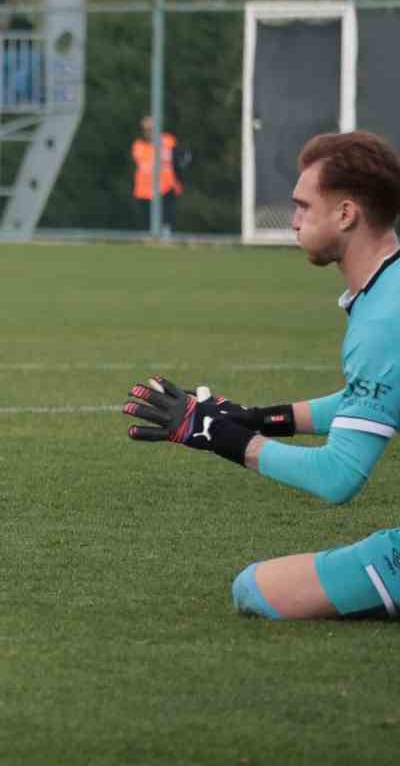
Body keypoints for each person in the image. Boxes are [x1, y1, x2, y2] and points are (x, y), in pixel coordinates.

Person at [122, 130, 400, 621]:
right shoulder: (389, 289)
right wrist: (256, 418)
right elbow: (375, 394)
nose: (293, 220)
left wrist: (218, 435)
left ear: (346, 214)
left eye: (303, 206)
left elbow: (338, 476)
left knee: (256, 589)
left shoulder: (381, 320)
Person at [132, 115, 183, 235]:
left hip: (166, 187)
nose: (149, 132)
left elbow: (177, 158)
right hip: (145, 191)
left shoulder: (168, 141)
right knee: (147, 222)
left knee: (167, 219)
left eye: (151, 129)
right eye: (146, 130)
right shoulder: (139, 146)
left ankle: (166, 237)